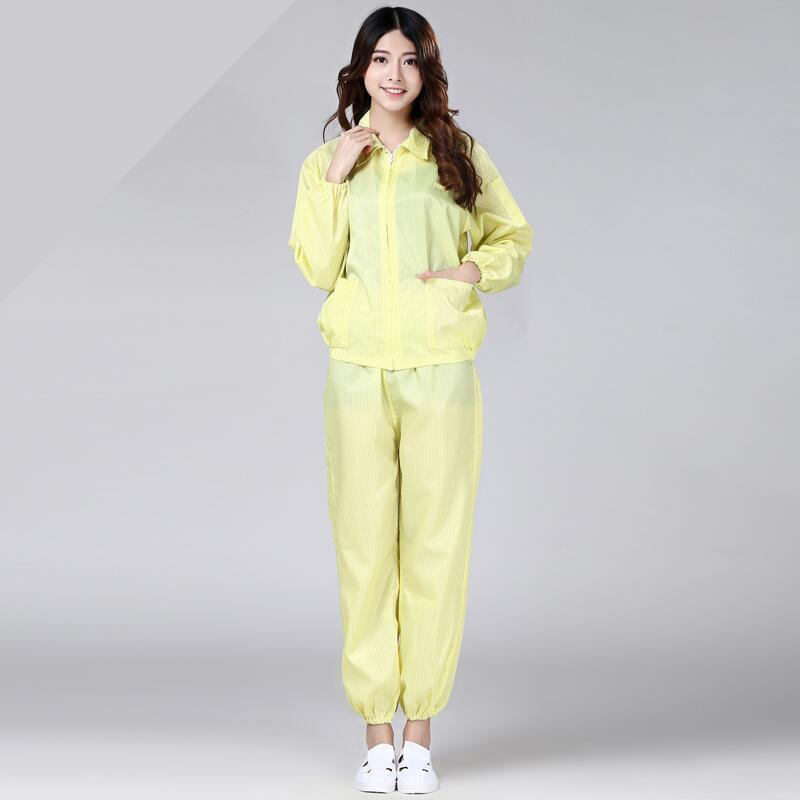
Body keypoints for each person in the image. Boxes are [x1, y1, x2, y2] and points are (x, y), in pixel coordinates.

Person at [288, 6, 533, 793]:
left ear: (427, 72)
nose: (394, 74)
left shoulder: (457, 155)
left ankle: (419, 737)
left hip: (441, 371)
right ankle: (375, 735)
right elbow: (316, 266)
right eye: (381, 59)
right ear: (359, 69)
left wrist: (470, 273)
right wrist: (337, 174)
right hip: (357, 374)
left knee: (436, 547)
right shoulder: (326, 162)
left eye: (410, 60)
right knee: (364, 551)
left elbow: (512, 237)